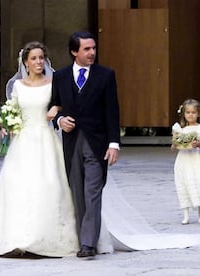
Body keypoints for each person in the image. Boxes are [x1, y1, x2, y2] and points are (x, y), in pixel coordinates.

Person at [0, 41, 79, 257]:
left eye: (41, 58)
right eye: (34, 59)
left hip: (45, 139)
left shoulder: (53, 82)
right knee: (18, 187)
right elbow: (14, 110)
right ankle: (18, 239)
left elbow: (66, 103)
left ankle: (45, 238)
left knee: (49, 185)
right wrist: (6, 124)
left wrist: (56, 109)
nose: (39, 62)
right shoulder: (18, 86)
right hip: (23, 142)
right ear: (25, 63)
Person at [50, 31, 120, 259]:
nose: (92, 53)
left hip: (97, 143)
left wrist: (114, 144)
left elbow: (112, 111)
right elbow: (54, 106)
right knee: (78, 193)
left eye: (93, 48)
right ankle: (83, 238)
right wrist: (60, 121)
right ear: (74, 52)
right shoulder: (60, 76)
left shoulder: (106, 75)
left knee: (92, 192)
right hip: (71, 143)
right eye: (86, 49)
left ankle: (88, 243)